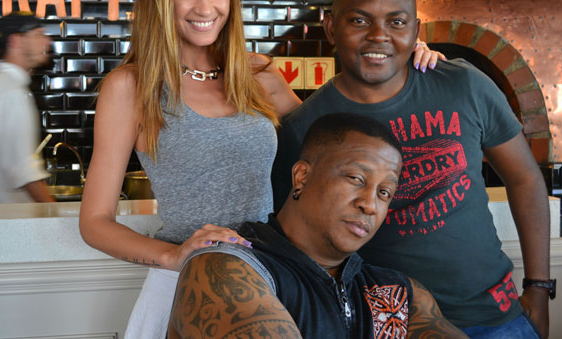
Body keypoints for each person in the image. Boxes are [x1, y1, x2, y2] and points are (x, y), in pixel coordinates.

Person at [78, 0, 441, 339]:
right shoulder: (131, 87)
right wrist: (172, 256)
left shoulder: (258, 74)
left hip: (269, 278)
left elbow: (338, 141)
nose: (205, 7)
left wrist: (399, 60)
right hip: (188, 286)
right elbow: (95, 222)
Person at [271, 0, 551, 338]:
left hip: (495, 319)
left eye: (397, 22)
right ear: (332, 28)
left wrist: (539, 287)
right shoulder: (305, 127)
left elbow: (524, 178)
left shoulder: (464, 86)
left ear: (415, 31)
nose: (379, 36)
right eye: (359, 20)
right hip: (386, 327)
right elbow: (296, 239)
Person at [168, 113, 467, 338]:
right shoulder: (224, 269)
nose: (370, 204)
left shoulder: (400, 294)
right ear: (302, 177)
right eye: (356, 179)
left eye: (384, 192)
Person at [0, 11, 55, 204]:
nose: (47, 41)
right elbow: (25, 173)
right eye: (39, 34)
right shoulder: (13, 93)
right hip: (11, 218)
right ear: (16, 41)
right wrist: (53, 212)